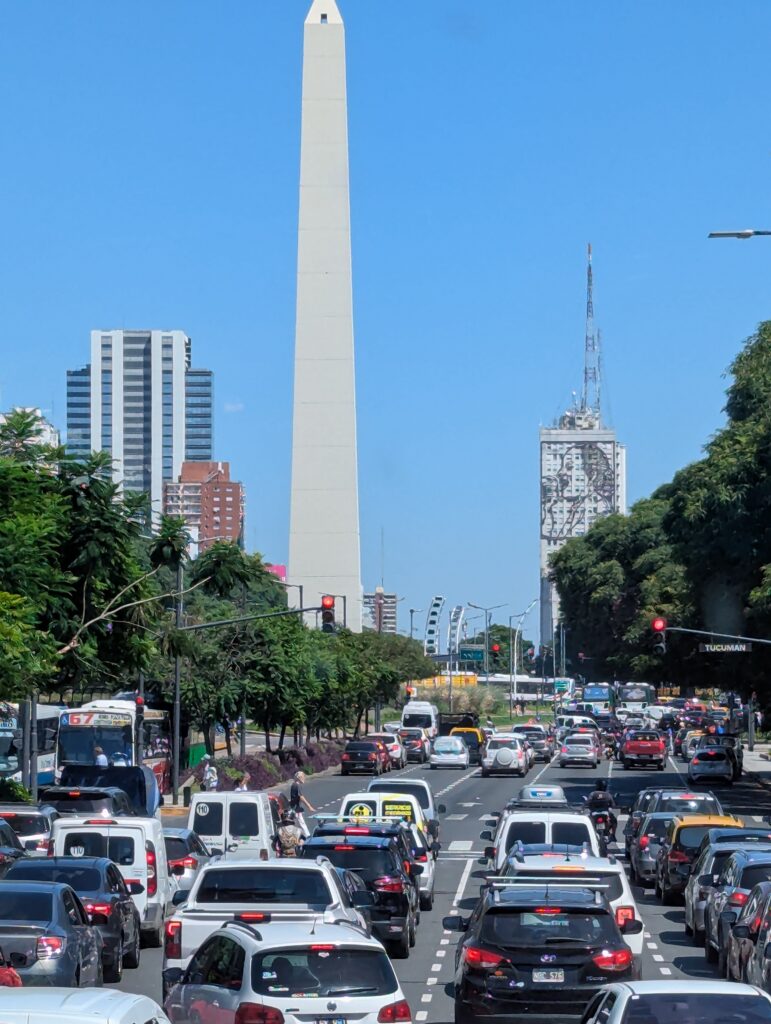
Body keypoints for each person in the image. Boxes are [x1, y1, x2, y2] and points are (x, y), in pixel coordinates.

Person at [290, 771, 315, 837]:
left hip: (295, 808)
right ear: (299, 778)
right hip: (296, 808)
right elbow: (301, 797)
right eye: (303, 777)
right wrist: (309, 806)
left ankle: (298, 837)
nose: (304, 778)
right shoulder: (297, 785)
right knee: (301, 823)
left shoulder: (294, 785)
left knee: (297, 824)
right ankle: (307, 836)